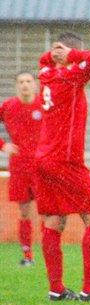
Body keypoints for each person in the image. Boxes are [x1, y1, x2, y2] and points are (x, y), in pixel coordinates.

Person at [34, 32, 90, 302]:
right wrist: (71, 55)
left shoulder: (47, 74)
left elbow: (43, 60)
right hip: (65, 160)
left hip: (43, 157)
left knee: (54, 221)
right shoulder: (70, 77)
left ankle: (56, 289)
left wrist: (54, 55)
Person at [0, 72, 43, 266]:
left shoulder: (44, 104)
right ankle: (28, 256)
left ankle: (49, 253)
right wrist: (3, 145)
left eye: (28, 81)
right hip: (19, 166)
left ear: (35, 85)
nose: (25, 85)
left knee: (47, 211)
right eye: (21, 82)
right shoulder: (8, 106)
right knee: (24, 210)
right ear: (16, 86)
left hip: (42, 165)